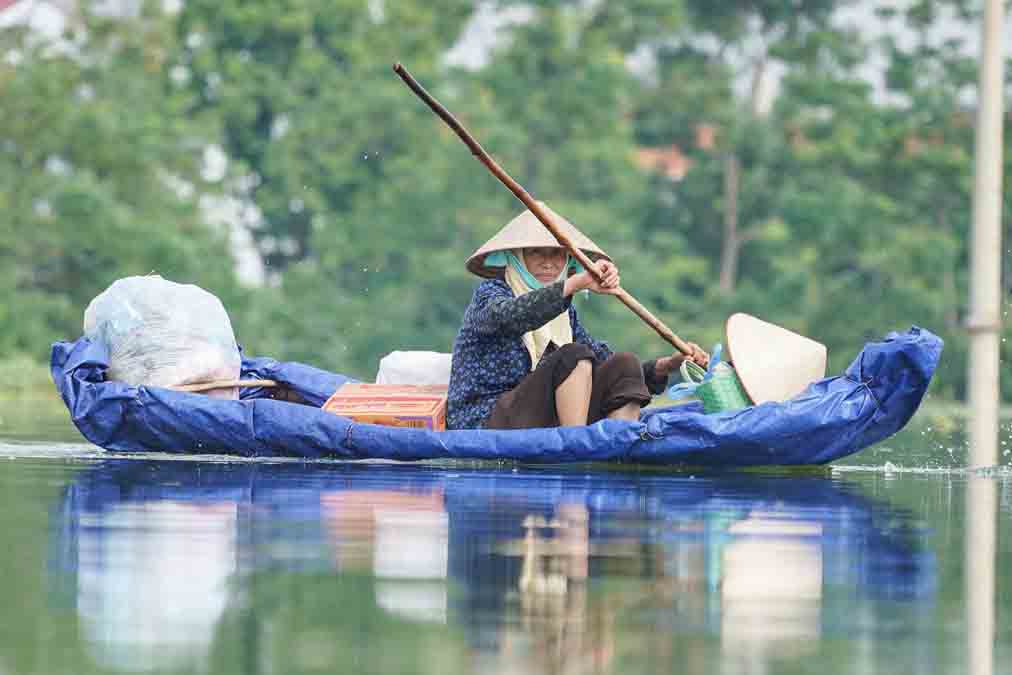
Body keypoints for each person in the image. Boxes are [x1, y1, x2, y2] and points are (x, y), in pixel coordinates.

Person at [447, 204, 707, 430]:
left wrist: (667, 365)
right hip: (486, 417)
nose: (548, 263)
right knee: (572, 355)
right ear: (516, 257)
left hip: (541, 417)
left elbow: (604, 363)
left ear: (568, 259)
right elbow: (510, 316)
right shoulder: (491, 293)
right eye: (536, 252)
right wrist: (574, 284)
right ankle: (577, 443)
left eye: (557, 254)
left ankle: (618, 442)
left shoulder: (564, 312)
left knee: (623, 364)